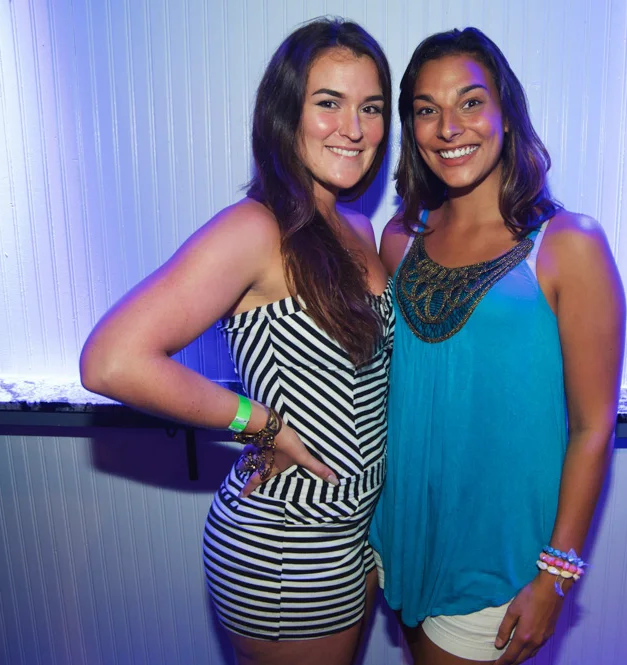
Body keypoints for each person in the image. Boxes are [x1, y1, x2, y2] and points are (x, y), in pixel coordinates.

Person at [79, 18, 394, 665]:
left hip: (354, 530)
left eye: (370, 107)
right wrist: (264, 426)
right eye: (329, 102)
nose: (354, 127)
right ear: (286, 113)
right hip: (287, 543)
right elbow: (111, 360)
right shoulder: (255, 228)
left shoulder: (358, 228)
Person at [370, 27, 625, 665]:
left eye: (470, 102)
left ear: (506, 113)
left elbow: (594, 427)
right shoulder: (399, 240)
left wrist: (556, 577)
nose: (448, 127)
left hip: (498, 567)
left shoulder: (568, 245)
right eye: (426, 109)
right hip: (400, 540)